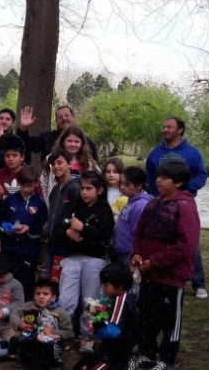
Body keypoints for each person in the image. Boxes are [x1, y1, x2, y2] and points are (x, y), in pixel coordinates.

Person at [129, 160, 200, 370]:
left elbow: (186, 246)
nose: (158, 180)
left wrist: (156, 262)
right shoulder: (153, 203)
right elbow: (139, 233)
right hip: (148, 275)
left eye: (164, 177)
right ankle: (146, 353)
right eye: (158, 176)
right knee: (146, 317)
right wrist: (137, 254)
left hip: (172, 277)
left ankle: (167, 359)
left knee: (170, 322)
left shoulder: (185, 207)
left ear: (178, 182)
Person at [144, 117, 209, 300]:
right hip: (159, 202)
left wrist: (182, 190)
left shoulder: (192, 153)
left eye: (169, 127)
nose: (165, 129)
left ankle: (199, 283)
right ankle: (159, 277)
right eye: (163, 126)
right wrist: (154, 193)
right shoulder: (155, 153)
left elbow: (201, 176)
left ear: (180, 130)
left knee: (188, 241)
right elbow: (149, 176)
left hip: (182, 203)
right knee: (159, 240)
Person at [57, 170, 114, 347]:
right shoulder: (74, 206)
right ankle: (61, 334)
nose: (84, 192)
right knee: (66, 299)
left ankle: (88, 337)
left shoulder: (104, 210)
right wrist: (68, 232)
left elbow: (105, 236)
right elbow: (59, 227)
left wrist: (84, 228)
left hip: (94, 259)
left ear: (99, 190)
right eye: (82, 188)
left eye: (89, 188)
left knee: (91, 300)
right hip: (72, 257)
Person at [74, 262, 137, 370]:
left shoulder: (121, 300)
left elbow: (113, 331)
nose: (103, 288)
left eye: (106, 284)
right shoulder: (113, 299)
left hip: (117, 355)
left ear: (120, 286)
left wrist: (96, 322)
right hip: (110, 350)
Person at [0, 167, 47, 299]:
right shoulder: (10, 200)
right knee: (8, 280)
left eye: (30, 185)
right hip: (10, 249)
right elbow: (0, 221)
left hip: (29, 250)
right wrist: (8, 229)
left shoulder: (40, 203)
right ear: (18, 183)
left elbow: (43, 225)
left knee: (27, 280)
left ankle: (25, 308)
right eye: (23, 185)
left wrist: (29, 228)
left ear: (36, 183)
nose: (26, 189)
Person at [9, 279, 73, 370]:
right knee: (15, 340)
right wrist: (20, 324)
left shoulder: (60, 313)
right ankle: (22, 359)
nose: (41, 296)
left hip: (50, 342)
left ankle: (54, 364)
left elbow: (69, 333)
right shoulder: (28, 306)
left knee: (54, 347)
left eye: (45, 294)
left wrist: (52, 332)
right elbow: (14, 314)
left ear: (53, 297)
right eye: (37, 294)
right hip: (31, 338)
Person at [43, 150, 80, 281]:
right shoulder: (54, 190)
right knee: (49, 279)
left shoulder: (75, 188)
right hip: (52, 243)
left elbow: (79, 215)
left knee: (62, 280)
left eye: (60, 163)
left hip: (66, 245)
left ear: (70, 164)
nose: (56, 166)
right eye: (53, 164)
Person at [15, 105, 97, 164]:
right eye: (60, 117)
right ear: (56, 121)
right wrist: (23, 129)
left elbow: (94, 164)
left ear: (74, 117)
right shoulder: (47, 137)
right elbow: (26, 145)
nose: (64, 118)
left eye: (67, 115)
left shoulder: (86, 141)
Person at [39, 126, 99, 200]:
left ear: (82, 143)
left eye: (76, 142)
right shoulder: (51, 159)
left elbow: (98, 183)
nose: (73, 144)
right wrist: (48, 203)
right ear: (63, 142)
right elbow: (43, 184)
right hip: (56, 205)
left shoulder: (89, 163)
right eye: (69, 141)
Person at [0, 135, 37, 205]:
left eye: (14, 155)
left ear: (22, 157)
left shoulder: (30, 174)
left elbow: (40, 198)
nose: (11, 159)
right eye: (7, 156)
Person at [113, 166, 152, 266]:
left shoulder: (140, 205)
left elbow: (138, 232)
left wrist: (136, 252)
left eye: (126, 184)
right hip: (122, 251)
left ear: (138, 186)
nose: (122, 187)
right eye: (121, 183)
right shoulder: (130, 201)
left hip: (130, 253)